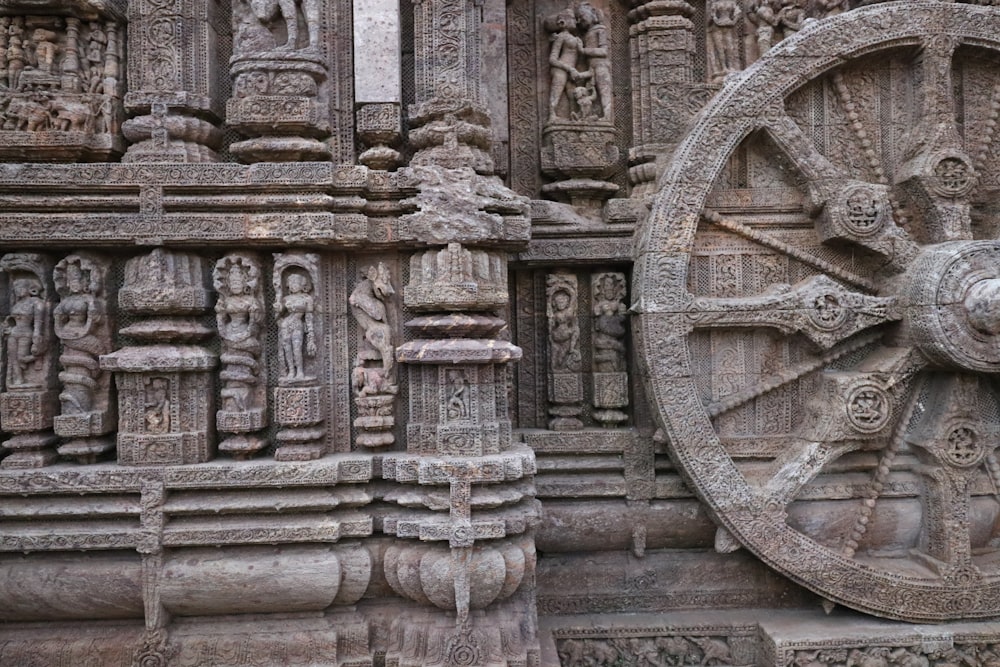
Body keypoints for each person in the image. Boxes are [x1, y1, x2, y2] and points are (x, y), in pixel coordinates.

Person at [545, 9, 589, 123]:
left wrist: (580, 47)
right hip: (561, 68)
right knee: (557, 92)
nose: (576, 21)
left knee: (573, 95)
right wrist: (569, 68)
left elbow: (581, 54)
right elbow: (552, 59)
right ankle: (552, 116)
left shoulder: (574, 38)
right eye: (573, 19)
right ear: (563, 22)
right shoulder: (561, 37)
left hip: (571, 71)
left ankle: (574, 116)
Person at [576, 2, 613, 121]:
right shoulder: (587, 34)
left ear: (591, 14)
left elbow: (604, 51)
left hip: (601, 66)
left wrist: (584, 51)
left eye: (582, 16)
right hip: (592, 67)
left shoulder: (600, 30)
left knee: (604, 91)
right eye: (578, 18)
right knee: (594, 92)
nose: (579, 20)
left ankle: (607, 116)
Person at [276, 271, 316, 381]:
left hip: (297, 324)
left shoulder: (307, 299)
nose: (293, 285)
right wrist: (278, 308)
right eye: (291, 282)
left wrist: (311, 335)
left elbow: (309, 317)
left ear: (302, 285)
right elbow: (279, 314)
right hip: (285, 325)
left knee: (297, 349)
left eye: (296, 282)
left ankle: (300, 371)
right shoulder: (286, 299)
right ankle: (291, 371)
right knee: (287, 349)